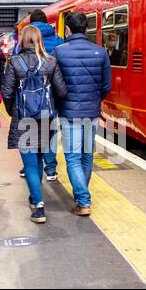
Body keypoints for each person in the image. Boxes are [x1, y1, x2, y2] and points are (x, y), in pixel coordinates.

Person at [1, 25, 67, 224]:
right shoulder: (50, 61)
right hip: (45, 118)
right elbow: (62, 91)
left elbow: (6, 92)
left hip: (23, 119)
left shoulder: (14, 62)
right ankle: (35, 198)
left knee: (30, 164)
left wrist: (14, 110)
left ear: (23, 40)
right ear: (39, 40)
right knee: (38, 161)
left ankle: (38, 205)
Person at [53, 12, 111, 217]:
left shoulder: (59, 52)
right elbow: (106, 86)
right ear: (86, 29)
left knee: (72, 158)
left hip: (69, 113)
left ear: (67, 29)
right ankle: (81, 196)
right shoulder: (101, 52)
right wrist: (94, 98)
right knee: (87, 155)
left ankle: (83, 201)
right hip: (92, 112)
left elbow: (56, 85)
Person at [22, 9, 65, 182]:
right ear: (47, 22)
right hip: (51, 93)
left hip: (30, 94)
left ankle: (30, 166)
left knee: (31, 131)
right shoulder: (58, 40)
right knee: (50, 131)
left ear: (31, 23)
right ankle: (51, 169)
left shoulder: (25, 40)